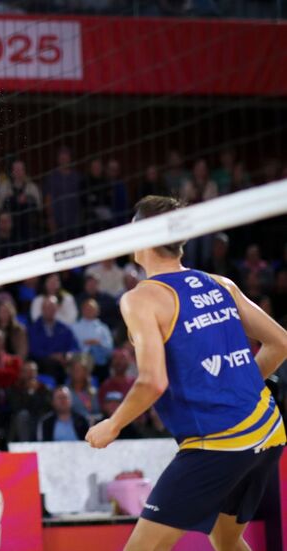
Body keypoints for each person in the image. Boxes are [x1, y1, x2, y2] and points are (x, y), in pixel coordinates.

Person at [86, 196, 287, 551]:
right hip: (268, 431)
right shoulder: (220, 284)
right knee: (226, 541)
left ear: (141, 235)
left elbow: (152, 381)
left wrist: (112, 424)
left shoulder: (141, 299)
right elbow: (280, 344)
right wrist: (237, 387)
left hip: (220, 443)